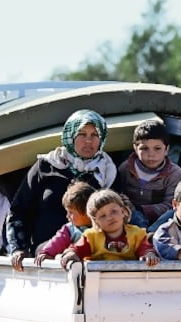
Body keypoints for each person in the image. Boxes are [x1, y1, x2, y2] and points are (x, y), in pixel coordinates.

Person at [7, 109, 116, 270]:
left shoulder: (107, 171)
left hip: (91, 257)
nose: (88, 141)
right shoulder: (46, 166)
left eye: (94, 135)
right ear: (70, 136)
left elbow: (118, 214)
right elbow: (18, 211)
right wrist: (18, 249)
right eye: (82, 134)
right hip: (46, 257)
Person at [58, 189, 159, 269]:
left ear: (123, 211)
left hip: (129, 280)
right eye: (103, 216)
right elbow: (77, 249)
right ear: (96, 221)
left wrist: (149, 254)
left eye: (113, 211)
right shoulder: (91, 237)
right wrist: (71, 254)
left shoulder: (137, 234)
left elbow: (145, 248)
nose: (110, 217)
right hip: (98, 281)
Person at [114, 119, 181, 227]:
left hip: (160, 221)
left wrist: (141, 209)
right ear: (135, 148)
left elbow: (170, 205)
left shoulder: (175, 174)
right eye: (144, 148)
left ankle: (150, 233)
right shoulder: (125, 168)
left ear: (166, 149)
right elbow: (118, 193)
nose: (151, 154)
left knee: (174, 212)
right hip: (130, 216)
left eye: (157, 148)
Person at [32, 181, 96, 267]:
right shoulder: (70, 229)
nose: (67, 216)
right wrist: (47, 253)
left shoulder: (101, 226)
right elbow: (57, 241)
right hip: (77, 268)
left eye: (71, 212)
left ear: (87, 212)